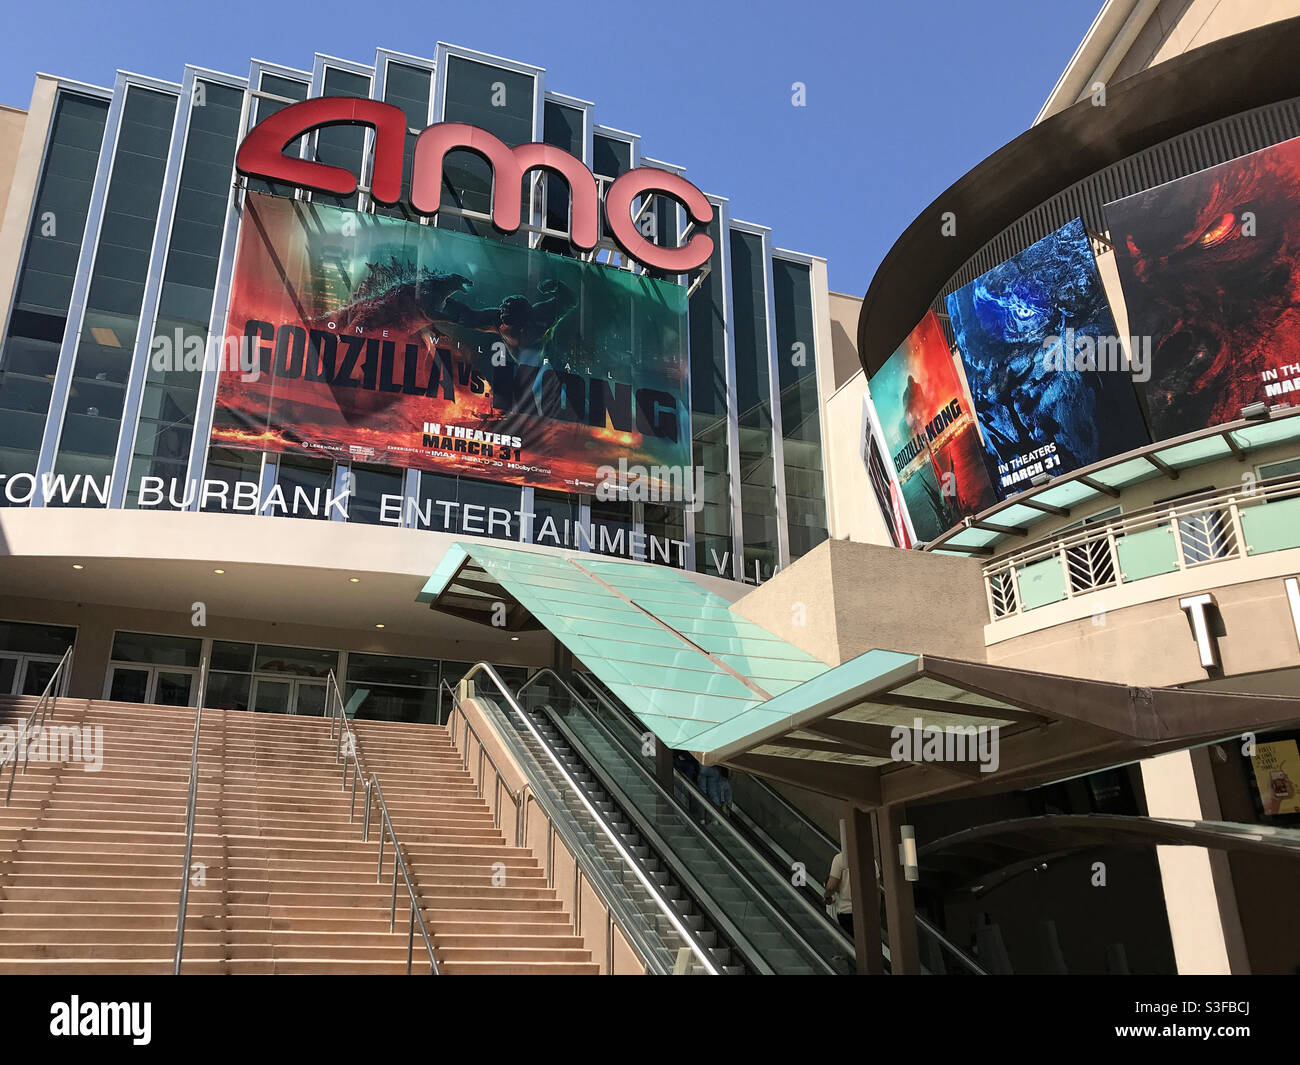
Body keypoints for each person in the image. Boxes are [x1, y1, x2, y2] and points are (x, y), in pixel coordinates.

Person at [823, 851, 853, 937]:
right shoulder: (871, 860)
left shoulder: (840, 858)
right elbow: (876, 889)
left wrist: (827, 896)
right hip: (865, 912)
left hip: (846, 912)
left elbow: (831, 887)